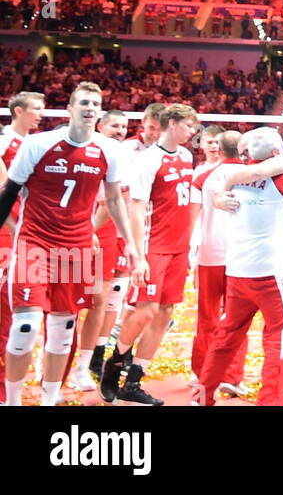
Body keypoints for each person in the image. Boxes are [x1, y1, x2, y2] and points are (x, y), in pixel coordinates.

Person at [0, 83, 142, 406]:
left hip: (76, 248)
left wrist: (130, 243)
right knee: (25, 326)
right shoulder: (38, 144)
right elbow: (9, 192)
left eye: (95, 103)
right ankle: (11, 401)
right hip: (34, 243)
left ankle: (49, 400)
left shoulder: (110, 150)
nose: (89, 108)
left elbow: (114, 200)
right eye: (83, 103)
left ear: (100, 111)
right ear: (70, 108)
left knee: (63, 331)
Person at [197, 128, 283, 406]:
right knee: (279, 338)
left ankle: (203, 395)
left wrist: (222, 196)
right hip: (271, 272)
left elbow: (216, 192)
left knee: (226, 335)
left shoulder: (223, 177)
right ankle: (270, 401)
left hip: (236, 271)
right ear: (276, 153)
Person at [101, 103, 200, 406]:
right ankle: (114, 365)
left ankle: (134, 380)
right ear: (172, 124)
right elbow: (137, 208)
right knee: (144, 310)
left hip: (179, 247)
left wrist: (191, 247)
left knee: (165, 313)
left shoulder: (186, 156)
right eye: (188, 126)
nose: (192, 132)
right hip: (155, 246)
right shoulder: (148, 160)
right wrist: (139, 255)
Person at [68, 109, 131, 391]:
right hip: (78, 233)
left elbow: (118, 202)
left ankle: (84, 365)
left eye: (124, 126)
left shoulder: (123, 156)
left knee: (99, 302)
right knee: (68, 303)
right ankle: (59, 363)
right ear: (100, 126)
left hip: (106, 236)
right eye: (115, 125)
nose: (120, 130)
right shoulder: (86, 151)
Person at [187, 130, 250, 397]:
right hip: (242, 256)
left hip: (210, 253)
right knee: (237, 318)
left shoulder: (202, 177)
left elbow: (191, 219)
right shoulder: (254, 175)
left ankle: (202, 372)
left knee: (208, 314)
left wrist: (190, 253)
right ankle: (233, 376)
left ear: (220, 149)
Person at [0, 91, 45, 379]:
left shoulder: (31, 144)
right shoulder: (4, 141)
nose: (41, 114)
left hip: (23, 232)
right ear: (18, 111)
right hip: (8, 233)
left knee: (14, 311)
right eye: (36, 109)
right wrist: (16, 231)